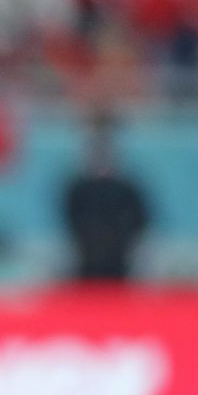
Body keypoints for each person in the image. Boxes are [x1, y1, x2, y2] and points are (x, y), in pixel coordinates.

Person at [63, 111, 150, 281]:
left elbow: (141, 219)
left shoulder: (126, 189)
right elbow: (70, 217)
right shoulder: (79, 190)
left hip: (119, 262)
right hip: (87, 262)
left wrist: (121, 240)